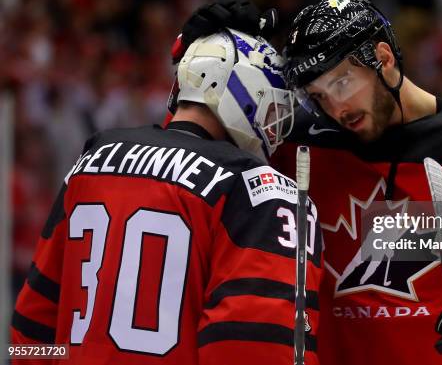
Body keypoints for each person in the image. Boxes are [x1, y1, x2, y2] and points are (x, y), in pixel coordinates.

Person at [174, 0, 442, 365]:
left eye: (342, 83)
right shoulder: (296, 147)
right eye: (318, 96)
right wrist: (200, 60)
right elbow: (185, 162)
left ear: (382, 58)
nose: (335, 108)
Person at [11, 26, 322, 364]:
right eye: (272, 107)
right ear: (244, 90)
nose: (273, 126)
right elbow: (252, 344)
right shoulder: (255, 187)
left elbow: (32, 322)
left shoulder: (93, 158)